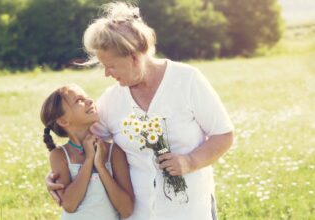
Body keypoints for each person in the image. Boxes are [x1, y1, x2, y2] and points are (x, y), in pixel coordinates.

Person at [46, 2, 234, 219]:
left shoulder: (187, 80)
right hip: (139, 214)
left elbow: (223, 134)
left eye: (111, 65)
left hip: (190, 210)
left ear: (134, 57)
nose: (106, 73)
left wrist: (189, 162)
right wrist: (56, 177)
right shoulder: (112, 100)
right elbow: (81, 139)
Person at [40, 84, 134, 220]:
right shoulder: (60, 155)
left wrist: (101, 166)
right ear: (63, 120)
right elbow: (70, 205)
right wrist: (89, 159)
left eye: (87, 97)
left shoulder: (113, 151)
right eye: (79, 100)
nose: (89, 101)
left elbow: (127, 210)